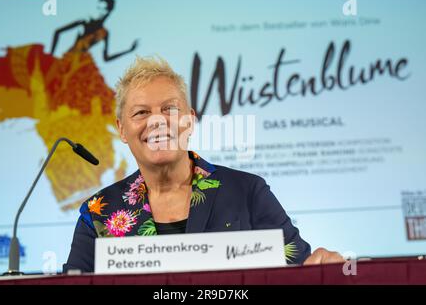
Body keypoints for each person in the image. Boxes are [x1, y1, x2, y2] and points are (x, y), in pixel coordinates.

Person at [63, 56, 344, 273]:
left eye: (170, 109)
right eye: (141, 112)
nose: (157, 121)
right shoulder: (97, 213)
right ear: (122, 130)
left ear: (189, 120)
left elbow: (299, 269)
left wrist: (320, 267)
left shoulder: (248, 191)